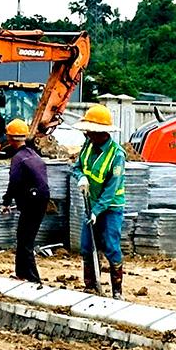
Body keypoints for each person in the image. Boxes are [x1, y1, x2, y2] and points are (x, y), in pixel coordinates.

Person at [72, 104, 126, 299]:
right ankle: (91, 286)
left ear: (101, 133)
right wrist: (80, 177)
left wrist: (97, 210)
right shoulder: (87, 146)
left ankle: (117, 291)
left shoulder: (117, 155)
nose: (87, 134)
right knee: (87, 245)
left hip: (110, 207)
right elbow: (76, 167)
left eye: (91, 131)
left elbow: (112, 189)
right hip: (91, 204)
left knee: (111, 246)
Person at [0, 118, 49, 284]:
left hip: (32, 203)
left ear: (10, 138)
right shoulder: (32, 154)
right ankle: (21, 274)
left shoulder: (18, 159)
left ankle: (34, 280)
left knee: (26, 241)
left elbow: (13, 183)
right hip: (39, 200)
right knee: (22, 237)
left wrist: (6, 202)